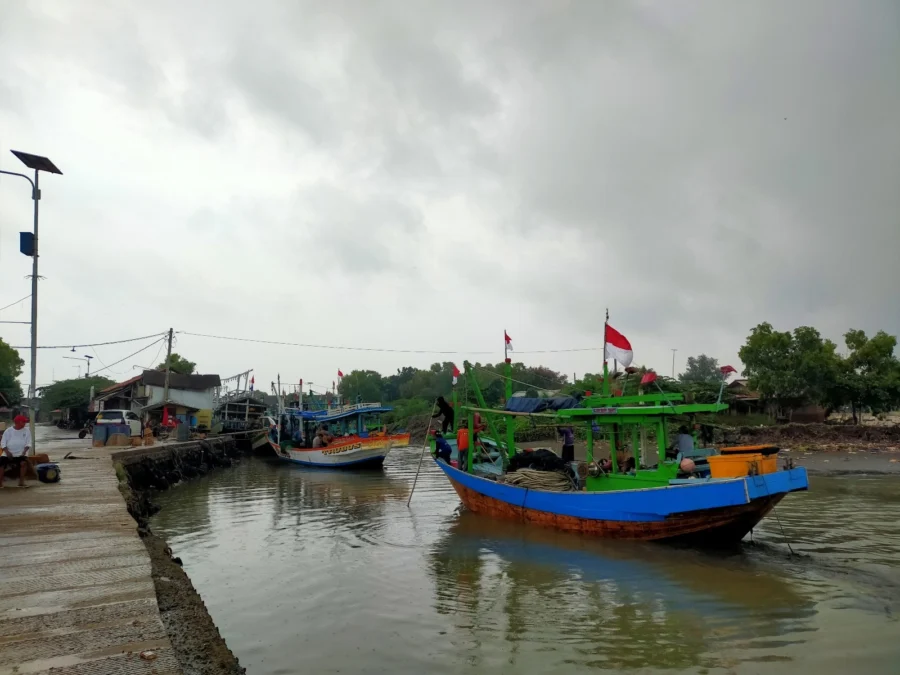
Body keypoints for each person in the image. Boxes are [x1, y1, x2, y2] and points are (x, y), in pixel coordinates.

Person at [1, 414, 32, 488]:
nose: (25, 423)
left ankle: (21, 482)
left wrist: (24, 451)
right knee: (1, 464)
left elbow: (29, 442)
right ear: (17, 422)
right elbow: (3, 443)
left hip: (21, 453)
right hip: (7, 453)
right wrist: (7, 452)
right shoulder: (8, 431)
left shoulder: (27, 430)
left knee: (23, 463)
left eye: (25, 422)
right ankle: (0, 483)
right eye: (23, 422)